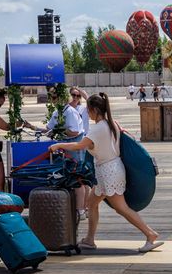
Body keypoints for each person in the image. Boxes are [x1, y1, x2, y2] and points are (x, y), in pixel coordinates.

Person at [49, 94, 163, 253]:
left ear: (95, 110)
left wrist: (59, 145)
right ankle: (89, 240)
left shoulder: (98, 128)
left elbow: (80, 145)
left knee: (121, 208)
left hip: (109, 171)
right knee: (91, 204)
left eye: (88, 110)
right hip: (107, 170)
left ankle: (150, 234)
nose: (87, 114)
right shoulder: (112, 123)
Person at [37, 88, 87, 218]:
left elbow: (74, 132)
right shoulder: (57, 112)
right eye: (51, 98)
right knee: (69, 175)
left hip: (75, 145)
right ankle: (77, 207)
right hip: (65, 145)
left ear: (61, 98)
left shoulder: (70, 112)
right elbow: (49, 129)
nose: (52, 101)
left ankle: (81, 210)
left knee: (77, 178)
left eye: (54, 98)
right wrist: (31, 127)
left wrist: (59, 130)